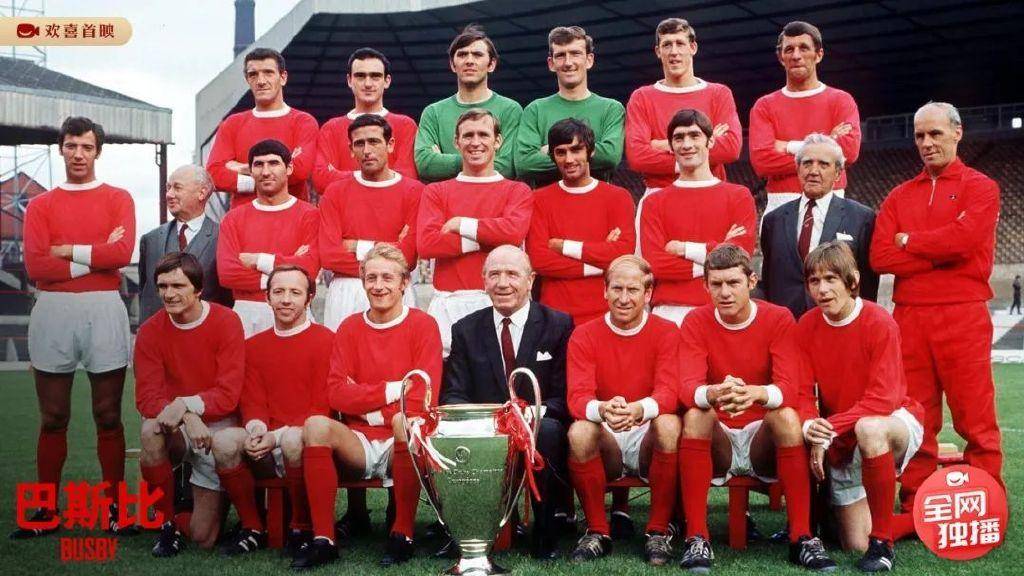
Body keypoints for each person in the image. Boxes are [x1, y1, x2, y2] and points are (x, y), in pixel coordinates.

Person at [870, 101, 1003, 511]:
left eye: (935, 134)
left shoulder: (981, 187)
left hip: (963, 312)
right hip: (909, 315)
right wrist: (940, 254)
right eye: (920, 136)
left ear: (957, 133)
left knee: (974, 414)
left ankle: (986, 499)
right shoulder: (899, 195)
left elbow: (964, 241)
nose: (927, 143)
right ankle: (916, 498)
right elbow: (880, 256)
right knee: (917, 413)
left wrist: (910, 241)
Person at [676, 244, 835, 573]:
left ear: (751, 281)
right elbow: (686, 387)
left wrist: (754, 394)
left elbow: (790, 387)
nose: (725, 292)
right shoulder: (695, 320)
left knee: (786, 416)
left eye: (733, 283)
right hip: (719, 440)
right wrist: (716, 393)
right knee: (695, 413)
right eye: (716, 284)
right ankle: (697, 537)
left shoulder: (778, 318)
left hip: (763, 439)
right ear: (705, 285)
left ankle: (802, 537)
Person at [14, 116, 135, 539]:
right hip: (53, 310)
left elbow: (122, 253)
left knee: (108, 414)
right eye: (71, 146)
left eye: (86, 147)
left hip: (103, 307)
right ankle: (45, 511)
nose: (78, 154)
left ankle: (115, 510)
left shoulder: (118, 197)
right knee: (53, 417)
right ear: (61, 149)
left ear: (97, 151)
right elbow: (36, 266)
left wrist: (66, 252)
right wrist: (95, 257)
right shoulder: (41, 205)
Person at [297, 244, 442, 570]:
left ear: (404, 282)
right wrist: (392, 390)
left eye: (388, 278)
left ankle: (402, 534)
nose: (379, 286)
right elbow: (336, 394)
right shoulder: (349, 327)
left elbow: (421, 398)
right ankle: (324, 539)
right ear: (362, 282)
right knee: (315, 425)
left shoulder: (423, 325)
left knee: (404, 421)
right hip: (358, 441)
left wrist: (366, 407)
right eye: (371, 278)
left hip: (402, 439)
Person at [797, 241, 925, 572]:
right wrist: (812, 425)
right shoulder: (806, 326)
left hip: (892, 421)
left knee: (869, 428)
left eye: (831, 279)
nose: (822, 289)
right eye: (814, 281)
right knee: (854, 541)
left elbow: (883, 398)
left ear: (852, 280)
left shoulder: (878, 321)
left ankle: (883, 544)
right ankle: (918, 520)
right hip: (841, 433)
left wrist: (829, 429)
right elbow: (800, 391)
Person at [442, 245, 574, 560]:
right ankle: (469, 528)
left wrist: (526, 416)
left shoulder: (558, 324)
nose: (503, 283)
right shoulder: (465, 329)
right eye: (494, 274)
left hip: (538, 424)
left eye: (512, 274)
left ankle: (546, 533)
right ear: (483, 280)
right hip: (487, 428)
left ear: (530, 280)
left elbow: (565, 394)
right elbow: (453, 394)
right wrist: (487, 421)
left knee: (547, 431)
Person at [209, 265, 333, 557]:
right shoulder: (252, 346)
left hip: (304, 442)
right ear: (267, 298)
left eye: (295, 292)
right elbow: (252, 401)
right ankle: (253, 526)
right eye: (278, 292)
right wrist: (256, 430)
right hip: (267, 439)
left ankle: (301, 526)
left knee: (292, 438)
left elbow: (321, 408)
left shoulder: (327, 340)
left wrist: (275, 437)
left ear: (309, 298)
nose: (286, 299)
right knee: (224, 441)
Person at [566, 255, 680, 566]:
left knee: (670, 424)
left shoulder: (667, 331)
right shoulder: (584, 333)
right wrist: (603, 409)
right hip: (608, 434)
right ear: (605, 291)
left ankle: (658, 530)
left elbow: (669, 392)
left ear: (648, 293)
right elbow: (577, 397)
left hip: (646, 432)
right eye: (617, 289)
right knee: (579, 431)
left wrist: (639, 409)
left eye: (633, 290)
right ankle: (597, 531)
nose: (624, 298)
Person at [134, 253, 246, 556]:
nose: (168, 294)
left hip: (219, 426)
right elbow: (146, 398)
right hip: (178, 425)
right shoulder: (150, 331)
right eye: (162, 286)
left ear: (198, 289)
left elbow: (229, 394)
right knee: (150, 431)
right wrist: (187, 415)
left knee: (202, 538)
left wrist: (186, 404)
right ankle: (166, 524)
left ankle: (192, 499)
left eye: (178, 286)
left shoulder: (226, 321)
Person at [417, 109, 532, 355]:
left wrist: (461, 225)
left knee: (501, 375)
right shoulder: (436, 191)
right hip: (449, 302)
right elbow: (427, 244)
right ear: (456, 142)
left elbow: (513, 233)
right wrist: (490, 239)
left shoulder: (517, 190)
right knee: (448, 377)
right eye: (468, 135)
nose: (475, 142)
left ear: (498, 141)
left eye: (483, 134)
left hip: (498, 302)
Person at [639, 109, 756, 327]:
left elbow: (740, 257)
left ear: (710, 141)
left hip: (723, 309)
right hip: (670, 312)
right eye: (679, 138)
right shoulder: (654, 202)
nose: (686, 144)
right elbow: (656, 263)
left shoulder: (739, 196)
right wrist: (718, 251)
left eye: (694, 136)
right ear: (671, 146)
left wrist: (684, 249)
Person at [526, 118, 636, 326]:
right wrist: (601, 264)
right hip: (555, 316)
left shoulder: (618, 197)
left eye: (576, 150)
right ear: (553, 156)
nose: (569, 159)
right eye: (561, 152)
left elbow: (623, 253)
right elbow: (540, 260)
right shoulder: (538, 199)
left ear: (590, 151)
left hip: (606, 313)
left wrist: (564, 246)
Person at [319, 114, 422, 331]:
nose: (366, 150)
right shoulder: (335, 192)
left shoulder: (414, 191)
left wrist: (355, 245)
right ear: (351, 149)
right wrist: (391, 247)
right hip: (346, 290)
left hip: (395, 287)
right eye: (359, 144)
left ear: (390, 144)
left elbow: (408, 257)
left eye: (374, 141)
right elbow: (329, 255)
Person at [749, 21, 861, 217]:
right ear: (781, 57)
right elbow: (762, 162)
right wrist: (828, 144)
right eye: (789, 49)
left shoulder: (841, 100)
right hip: (780, 203)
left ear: (819, 54)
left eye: (804, 48)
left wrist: (787, 146)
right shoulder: (764, 105)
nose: (796, 55)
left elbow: (849, 152)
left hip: (831, 201)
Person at [760, 133, 878, 318]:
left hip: (838, 323)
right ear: (798, 169)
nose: (814, 171)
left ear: (838, 173)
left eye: (823, 164)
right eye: (807, 163)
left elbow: (868, 283)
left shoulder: (862, 218)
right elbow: (769, 279)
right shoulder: (773, 220)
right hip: (786, 323)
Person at [217, 139, 320, 337]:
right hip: (247, 314)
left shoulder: (310, 215)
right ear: (250, 171)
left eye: (273, 163)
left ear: (289, 168)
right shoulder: (233, 218)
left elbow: (310, 269)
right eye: (258, 165)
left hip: (295, 311)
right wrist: (290, 269)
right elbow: (228, 274)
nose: (265, 172)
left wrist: (258, 260)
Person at [625, 17, 741, 191]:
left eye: (680, 43)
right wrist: (702, 145)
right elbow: (637, 157)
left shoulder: (719, 93)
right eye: (667, 45)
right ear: (658, 51)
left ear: (692, 48)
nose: (674, 51)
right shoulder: (641, 97)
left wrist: (661, 145)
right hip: (659, 195)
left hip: (710, 191)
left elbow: (731, 148)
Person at [206, 47, 318, 209]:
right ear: (247, 80)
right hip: (244, 221)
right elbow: (214, 175)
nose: (261, 81)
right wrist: (271, 176)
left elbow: (300, 171)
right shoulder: (232, 124)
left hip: (292, 219)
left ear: (283, 77)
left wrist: (242, 168)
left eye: (268, 73)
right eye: (253, 74)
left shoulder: (303, 122)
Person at [514, 26, 624, 188]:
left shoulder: (611, 108)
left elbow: (610, 157)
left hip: (596, 200)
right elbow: (524, 164)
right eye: (560, 55)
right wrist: (586, 153)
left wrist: (549, 150)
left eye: (575, 53)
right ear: (551, 63)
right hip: (547, 202)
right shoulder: (535, 110)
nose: (568, 62)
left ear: (589, 60)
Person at [414, 24, 522, 181]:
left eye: (477, 55)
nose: (469, 61)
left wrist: (445, 160)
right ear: (452, 64)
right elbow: (425, 165)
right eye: (462, 54)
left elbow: (507, 167)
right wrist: (481, 158)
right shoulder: (433, 112)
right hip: (448, 196)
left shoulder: (510, 109)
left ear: (491, 64)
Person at [313, 47, 418, 192]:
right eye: (360, 76)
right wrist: (380, 175)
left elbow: (408, 179)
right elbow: (321, 180)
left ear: (387, 81)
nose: (368, 83)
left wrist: (341, 176)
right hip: (347, 206)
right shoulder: (330, 128)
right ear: (349, 80)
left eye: (375, 76)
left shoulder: (405, 125)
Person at [139, 164, 232, 323]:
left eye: (177, 188)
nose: (169, 194)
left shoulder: (224, 237)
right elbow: (145, 292)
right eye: (168, 188)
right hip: (158, 334)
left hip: (206, 332)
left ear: (202, 193)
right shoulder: (150, 240)